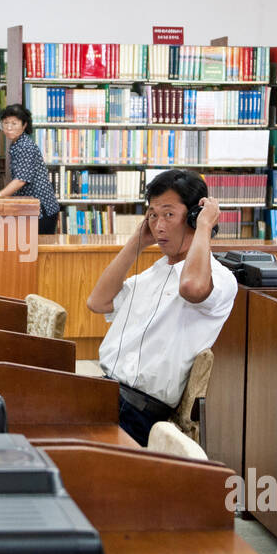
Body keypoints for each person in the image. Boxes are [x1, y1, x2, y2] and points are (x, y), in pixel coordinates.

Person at [87, 169, 238, 446]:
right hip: (105, 391)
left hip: (136, 411)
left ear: (194, 216)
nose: (159, 225)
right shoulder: (152, 273)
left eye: (169, 214)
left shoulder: (218, 278)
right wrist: (138, 241)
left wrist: (204, 227)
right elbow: (98, 302)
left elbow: (191, 288)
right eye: (153, 215)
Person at [0, 104, 60, 235]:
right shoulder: (17, 143)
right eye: (5, 123)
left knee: (38, 252)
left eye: (14, 123)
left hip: (41, 210)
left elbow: (21, 180)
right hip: (32, 208)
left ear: (24, 125)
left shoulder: (25, 146)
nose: (9, 127)